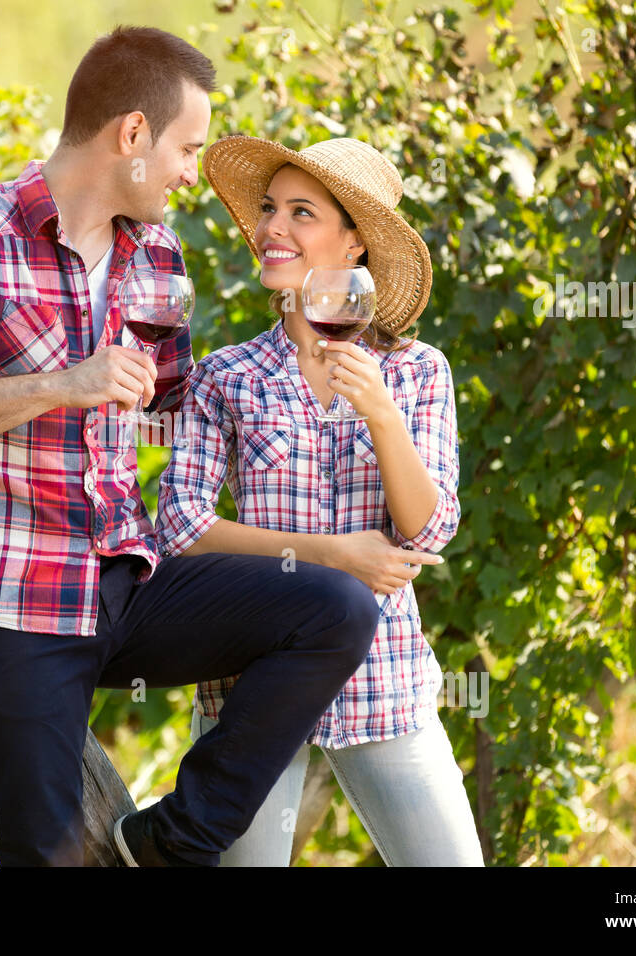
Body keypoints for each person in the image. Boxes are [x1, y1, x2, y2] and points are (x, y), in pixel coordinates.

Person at [0, 28, 381, 867]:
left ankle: (176, 841)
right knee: (48, 856)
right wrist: (63, 384)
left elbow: (171, 408)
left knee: (332, 609)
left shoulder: (158, 256)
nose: (192, 172)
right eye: (186, 147)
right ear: (132, 135)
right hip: (7, 597)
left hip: (122, 579)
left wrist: (306, 367)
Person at [157, 136, 485, 866]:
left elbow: (428, 528)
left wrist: (382, 416)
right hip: (251, 686)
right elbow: (179, 526)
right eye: (271, 208)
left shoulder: (414, 373)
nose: (273, 227)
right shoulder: (226, 377)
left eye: (302, 212)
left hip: (384, 680)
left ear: (355, 243)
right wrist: (331, 556)